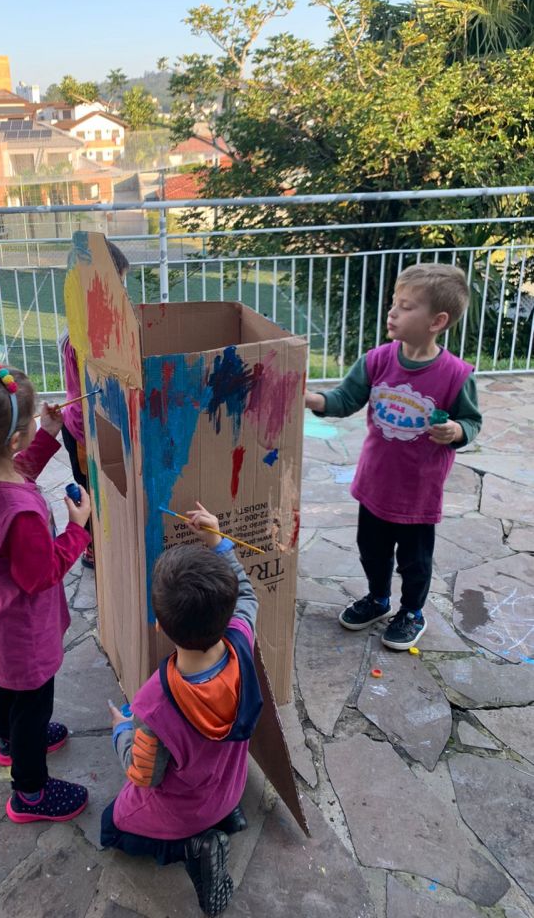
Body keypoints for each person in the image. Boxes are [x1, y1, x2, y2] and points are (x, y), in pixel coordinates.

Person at [0, 364, 92, 823]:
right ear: (12, 440)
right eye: (29, 424)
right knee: (33, 706)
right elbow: (41, 574)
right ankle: (30, 791)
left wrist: (45, 434)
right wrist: (77, 530)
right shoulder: (19, 510)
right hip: (22, 636)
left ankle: (8, 741)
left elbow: (12, 471)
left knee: (0, 685)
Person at [305, 263, 482, 650]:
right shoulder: (377, 360)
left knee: (415, 562)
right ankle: (378, 599)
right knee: (372, 552)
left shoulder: (456, 375)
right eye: (394, 303)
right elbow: (345, 398)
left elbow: (472, 421)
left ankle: (412, 612)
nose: (393, 312)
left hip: (418, 493)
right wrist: (312, 399)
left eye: (406, 306)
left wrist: (456, 431)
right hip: (375, 484)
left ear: (437, 321)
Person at [101, 503, 261, 918]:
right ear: (227, 613)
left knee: (111, 828)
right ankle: (226, 816)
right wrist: (218, 542)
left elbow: (144, 774)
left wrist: (121, 731)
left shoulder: (154, 704)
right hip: (231, 786)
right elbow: (247, 594)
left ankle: (194, 847)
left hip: (189, 809)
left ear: (160, 624)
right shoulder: (242, 640)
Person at [58, 239, 130, 568]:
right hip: (85, 433)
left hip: (91, 426)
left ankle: (103, 540)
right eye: (119, 285)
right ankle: (92, 548)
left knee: (104, 488)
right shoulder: (85, 339)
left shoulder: (88, 328)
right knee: (92, 490)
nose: (124, 293)